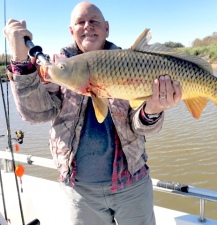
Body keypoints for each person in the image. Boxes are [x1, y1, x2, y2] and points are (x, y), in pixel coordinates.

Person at [4, 2, 182, 225]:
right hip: (79, 190)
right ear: (71, 31)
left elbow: (142, 126)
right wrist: (21, 62)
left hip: (132, 183)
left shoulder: (129, 61)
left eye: (94, 21)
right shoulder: (58, 67)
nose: (87, 26)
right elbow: (35, 114)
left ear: (106, 28)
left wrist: (153, 110)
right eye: (80, 22)